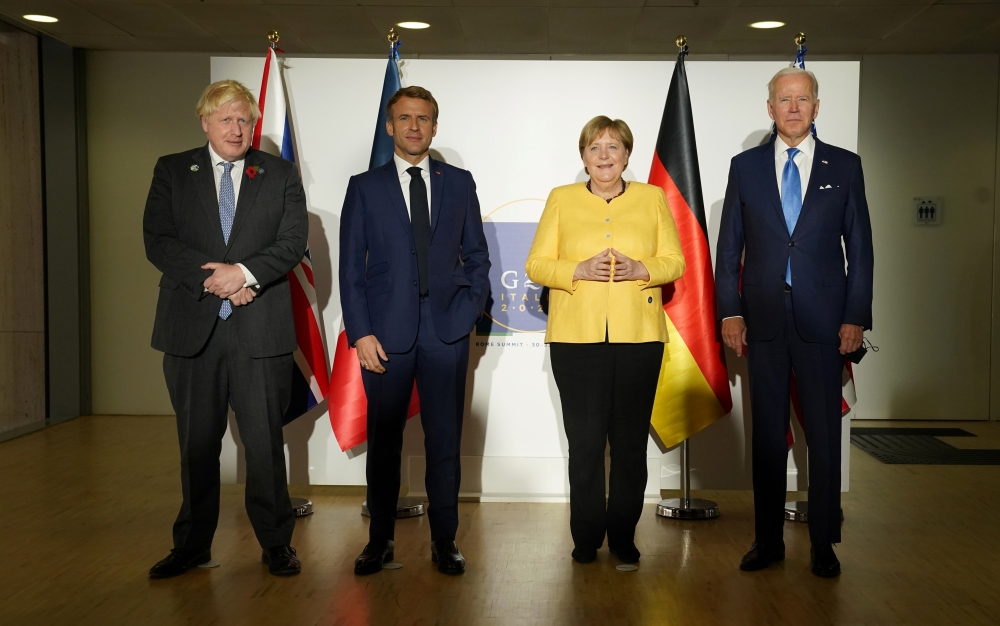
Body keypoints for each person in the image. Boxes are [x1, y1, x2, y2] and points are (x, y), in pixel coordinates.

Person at [143, 79, 308, 578]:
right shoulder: (173, 170)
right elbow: (159, 241)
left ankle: (277, 543)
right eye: (226, 119)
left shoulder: (278, 174)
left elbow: (293, 239)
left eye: (244, 120)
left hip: (261, 331)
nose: (236, 129)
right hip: (193, 331)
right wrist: (220, 279)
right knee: (196, 444)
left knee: (263, 444)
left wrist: (246, 274)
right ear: (205, 122)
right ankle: (192, 546)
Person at [715, 67, 874, 578]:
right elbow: (728, 249)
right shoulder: (744, 167)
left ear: (816, 107)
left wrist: (855, 317)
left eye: (802, 99)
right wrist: (730, 310)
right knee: (765, 437)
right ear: (769, 108)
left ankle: (824, 543)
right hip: (761, 319)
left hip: (825, 323)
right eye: (784, 100)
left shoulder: (845, 167)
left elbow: (862, 250)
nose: (793, 108)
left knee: (824, 437)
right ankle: (767, 541)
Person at [339, 86, 491, 576]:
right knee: (384, 442)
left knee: (444, 441)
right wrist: (360, 332)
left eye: (423, 119)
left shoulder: (460, 182)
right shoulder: (364, 187)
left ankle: (444, 540)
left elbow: (479, 257)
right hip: (384, 334)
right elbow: (349, 270)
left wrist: (467, 313)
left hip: (445, 331)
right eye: (404, 118)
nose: (413, 126)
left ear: (434, 126)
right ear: (389, 126)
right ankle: (379, 540)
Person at [525, 116, 685, 565]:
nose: (605, 156)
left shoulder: (653, 198)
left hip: (639, 338)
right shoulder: (562, 199)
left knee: (631, 445)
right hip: (576, 341)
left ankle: (623, 537)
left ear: (627, 155)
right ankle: (586, 537)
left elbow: (675, 261)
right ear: (583, 156)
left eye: (614, 147)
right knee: (586, 443)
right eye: (595, 148)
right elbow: (537, 264)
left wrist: (643, 269)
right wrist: (575, 269)